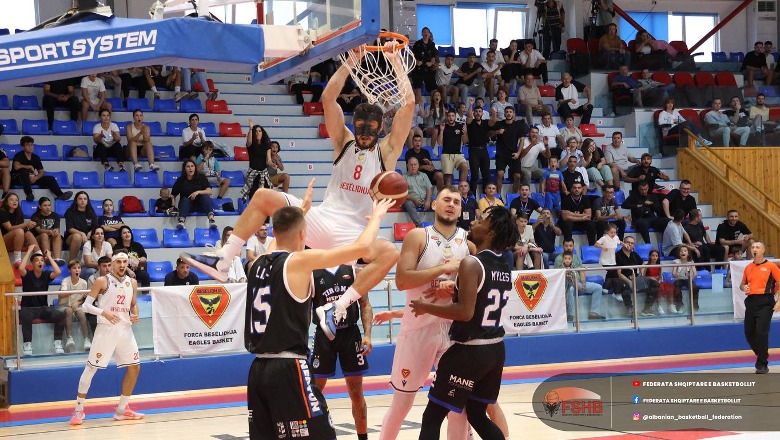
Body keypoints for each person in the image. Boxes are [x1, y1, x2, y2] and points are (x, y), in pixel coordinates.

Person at [183, 43, 415, 337]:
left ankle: (338, 307)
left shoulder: (388, 150)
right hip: (322, 219)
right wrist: (349, 63)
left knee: (390, 254)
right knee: (263, 196)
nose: (365, 132)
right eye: (360, 126)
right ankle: (224, 260)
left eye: (371, 127)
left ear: (381, 127)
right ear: (353, 125)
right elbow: (329, 98)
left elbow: (407, 107)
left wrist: (395, 63)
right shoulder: (343, 141)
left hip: (354, 233)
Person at [244, 199, 391, 439]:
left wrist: (301, 212)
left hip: (258, 370)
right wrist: (377, 215)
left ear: (273, 231)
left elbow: (277, 241)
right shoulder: (299, 262)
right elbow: (362, 247)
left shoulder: (257, 264)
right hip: (288, 366)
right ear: (304, 234)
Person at [373, 187, 474, 440]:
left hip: (454, 332)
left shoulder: (468, 243)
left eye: (456, 202)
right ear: (435, 205)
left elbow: (474, 292)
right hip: (418, 329)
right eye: (446, 200)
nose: (451, 204)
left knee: (458, 406)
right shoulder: (419, 236)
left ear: (461, 210)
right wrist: (444, 268)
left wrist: (454, 289)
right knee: (402, 405)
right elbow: (402, 280)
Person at [410, 205, 517, 440]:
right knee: (478, 414)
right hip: (496, 349)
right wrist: (456, 289)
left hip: (470, 351)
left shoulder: (471, 263)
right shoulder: (503, 266)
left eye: (481, 221)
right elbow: (480, 299)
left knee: (432, 416)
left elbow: (465, 312)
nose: (474, 222)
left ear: (490, 234)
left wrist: (425, 306)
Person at [69, 253, 143, 425]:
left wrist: (136, 314)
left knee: (135, 367)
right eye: (118, 262)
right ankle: (78, 410)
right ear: (112, 264)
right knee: (91, 369)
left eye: (125, 262)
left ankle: (122, 410)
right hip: (105, 330)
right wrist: (104, 313)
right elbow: (86, 306)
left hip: (125, 330)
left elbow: (133, 304)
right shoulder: (102, 281)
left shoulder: (132, 282)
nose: (122, 265)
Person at [311, 264, 373, 440]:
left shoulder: (352, 270)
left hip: (350, 333)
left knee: (356, 391)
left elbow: (365, 304)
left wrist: (367, 334)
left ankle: (363, 438)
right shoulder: (312, 273)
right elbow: (304, 310)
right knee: (315, 391)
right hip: (324, 336)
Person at [739, 241, 780, 374]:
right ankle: (762, 354)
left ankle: (762, 363)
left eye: (757, 247)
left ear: (763, 250)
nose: (754, 249)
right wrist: (743, 287)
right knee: (749, 332)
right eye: (753, 247)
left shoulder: (771, 266)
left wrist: (779, 302)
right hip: (751, 301)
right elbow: (742, 283)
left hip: (765, 302)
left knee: (761, 332)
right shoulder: (748, 267)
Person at [19, 245, 65, 356]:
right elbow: (20, 268)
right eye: (36, 260)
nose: (40, 262)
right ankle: (27, 344)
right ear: (32, 264)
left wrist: (49, 257)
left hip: (43, 308)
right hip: (28, 308)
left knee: (60, 316)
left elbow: (58, 272)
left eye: (42, 260)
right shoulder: (27, 275)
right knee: (25, 316)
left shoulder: (46, 275)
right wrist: (29, 250)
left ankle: (57, 342)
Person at [12, 136, 73, 203]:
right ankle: (29, 194)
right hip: (18, 179)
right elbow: (16, 167)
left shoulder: (35, 157)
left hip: (31, 179)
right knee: (24, 171)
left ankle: (60, 195)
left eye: (31, 145)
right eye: (28, 145)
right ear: (23, 147)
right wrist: (28, 166)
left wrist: (35, 178)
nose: (30, 147)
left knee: (50, 179)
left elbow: (41, 172)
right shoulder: (19, 155)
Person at [489, 106, 531, 194]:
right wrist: (497, 132)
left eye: (510, 112)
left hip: (514, 154)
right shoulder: (499, 124)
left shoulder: (518, 125)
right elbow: (489, 134)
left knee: (517, 176)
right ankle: (498, 196)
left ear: (513, 113)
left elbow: (522, 140)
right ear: (504, 114)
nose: (508, 113)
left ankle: (514, 196)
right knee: (500, 174)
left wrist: (518, 153)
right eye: (507, 112)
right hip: (501, 154)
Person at [558, 250, 605, 321]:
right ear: (563, 259)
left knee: (598, 287)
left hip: (578, 283)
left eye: (569, 258)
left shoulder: (575, 266)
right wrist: (577, 285)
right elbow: (569, 281)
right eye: (565, 258)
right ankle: (569, 314)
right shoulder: (560, 268)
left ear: (572, 259)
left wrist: (583, 284)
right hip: (567, 286)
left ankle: (593, 312)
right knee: (570, 290)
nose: (567, 260)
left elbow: (581, 271)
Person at [171, 159, 215, 229]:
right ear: (184, 169)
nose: (190, 168)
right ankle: (181, 221)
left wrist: (198, 192)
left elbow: (209, 191)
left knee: (205, 196)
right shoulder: (180, 180)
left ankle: (211, 220)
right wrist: (173, 205)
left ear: (195, 167)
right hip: (187, 206)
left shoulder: (201, 177)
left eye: (192, 166)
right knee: (184, 199)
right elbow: (173, 195)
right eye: (188, 166)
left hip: (201, 205)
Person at [59, 260, 90, 352]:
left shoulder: (84, 282)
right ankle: (69, 338)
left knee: (81, 313)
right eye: (74, 268)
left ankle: (86, 340)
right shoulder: (65, 281)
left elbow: (84, 298)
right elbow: (63, 294)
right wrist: (76, 291)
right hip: (64, 306)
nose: (77, 270)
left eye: (79, 268)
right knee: (68, 310)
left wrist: (78, 302)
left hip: (76, 306)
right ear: (69, 270)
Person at [1, 192, 38, 266]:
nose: (14, 201)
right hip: (2, 242)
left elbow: (22, 228)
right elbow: (9, 228)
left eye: (16, 200)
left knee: (28, 233)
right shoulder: (2, 212)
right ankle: (17, 259)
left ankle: (39, 255)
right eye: (11, 200)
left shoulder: (19, 213)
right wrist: (25, 224)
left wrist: (28, 227)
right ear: (6, 202)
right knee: (19, 231)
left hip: (16, 241)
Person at [437, 109, 469, 187]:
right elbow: (439, 142)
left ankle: (462, 189)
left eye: (452, 116)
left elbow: (465, 142)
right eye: (449, 116)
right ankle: (450, 195)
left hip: (458, 154)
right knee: (448, 178)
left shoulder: (460, 126)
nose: (451, 118)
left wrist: (465, 133)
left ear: (455, 117)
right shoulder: (443, 127)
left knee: (465, 166)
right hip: (446, 154)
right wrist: (441, 131)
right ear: (447, 117)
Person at [466, 98, 490, 194]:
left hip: (484, 150)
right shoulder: (470, 122)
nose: (478, 113)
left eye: (480, 111)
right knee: (475, 175)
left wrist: (494, 113)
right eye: (476, 111)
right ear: (473, 113)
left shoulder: (485, 123)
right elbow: (468, 117)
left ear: (482, 113)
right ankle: (472, 195)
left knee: (486, 175)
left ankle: (486, 195)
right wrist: (471, 105)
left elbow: (493, 121)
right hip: (473, 150)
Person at [65, 191, 98, 261]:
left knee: (99, 236)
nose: (83, 201)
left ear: (87, 201)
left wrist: (90, 233)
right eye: (80, 199)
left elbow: (96, 226)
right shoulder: (70, 212)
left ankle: (97, 261)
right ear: (76, 201)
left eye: (85, 199)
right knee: (77, 237)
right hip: (72, 237)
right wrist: (82, 234)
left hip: (88, 236)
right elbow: (70, 228)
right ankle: (72, 262)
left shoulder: (91, 212)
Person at [31, 196, 65, 265]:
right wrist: (49, 231)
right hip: (39, 238)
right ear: (40, 207)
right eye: (45, 205)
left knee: (58, 235)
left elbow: (57, 228)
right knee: (44, 235)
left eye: (49, 205)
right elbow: (38, 230)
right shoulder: (35, 216)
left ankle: (57, 259)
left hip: (51, 237)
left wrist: (55, 231)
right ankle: (47, 257)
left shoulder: (55, 215)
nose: (48, 207)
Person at [402, 157, 433, 228]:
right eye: (411, 165)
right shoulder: (403, 177)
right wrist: (413, 199)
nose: (413, 167)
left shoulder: (424, 175)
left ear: (418, 165)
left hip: (425, 200)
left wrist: (428, 201)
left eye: (415, 164)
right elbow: (403, 194)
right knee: (408, 203)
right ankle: (419, 226)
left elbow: (429, 188)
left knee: (438, 203)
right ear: (407, 166)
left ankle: (439, 226)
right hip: (412, 201)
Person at [672, 246, 699, 312]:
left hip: (688, 278)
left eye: (685, 251)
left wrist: (692, 276)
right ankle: (680, 305)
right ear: (679, 254)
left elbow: (695, 273)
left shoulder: (691, 262)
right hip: (679, 279)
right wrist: (677, 275)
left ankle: (694, 305)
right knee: (676, 288)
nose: (683, 252)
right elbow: (673, 273)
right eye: (681, 251)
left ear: (688, 254)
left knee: (695, 287)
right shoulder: (676, 262)